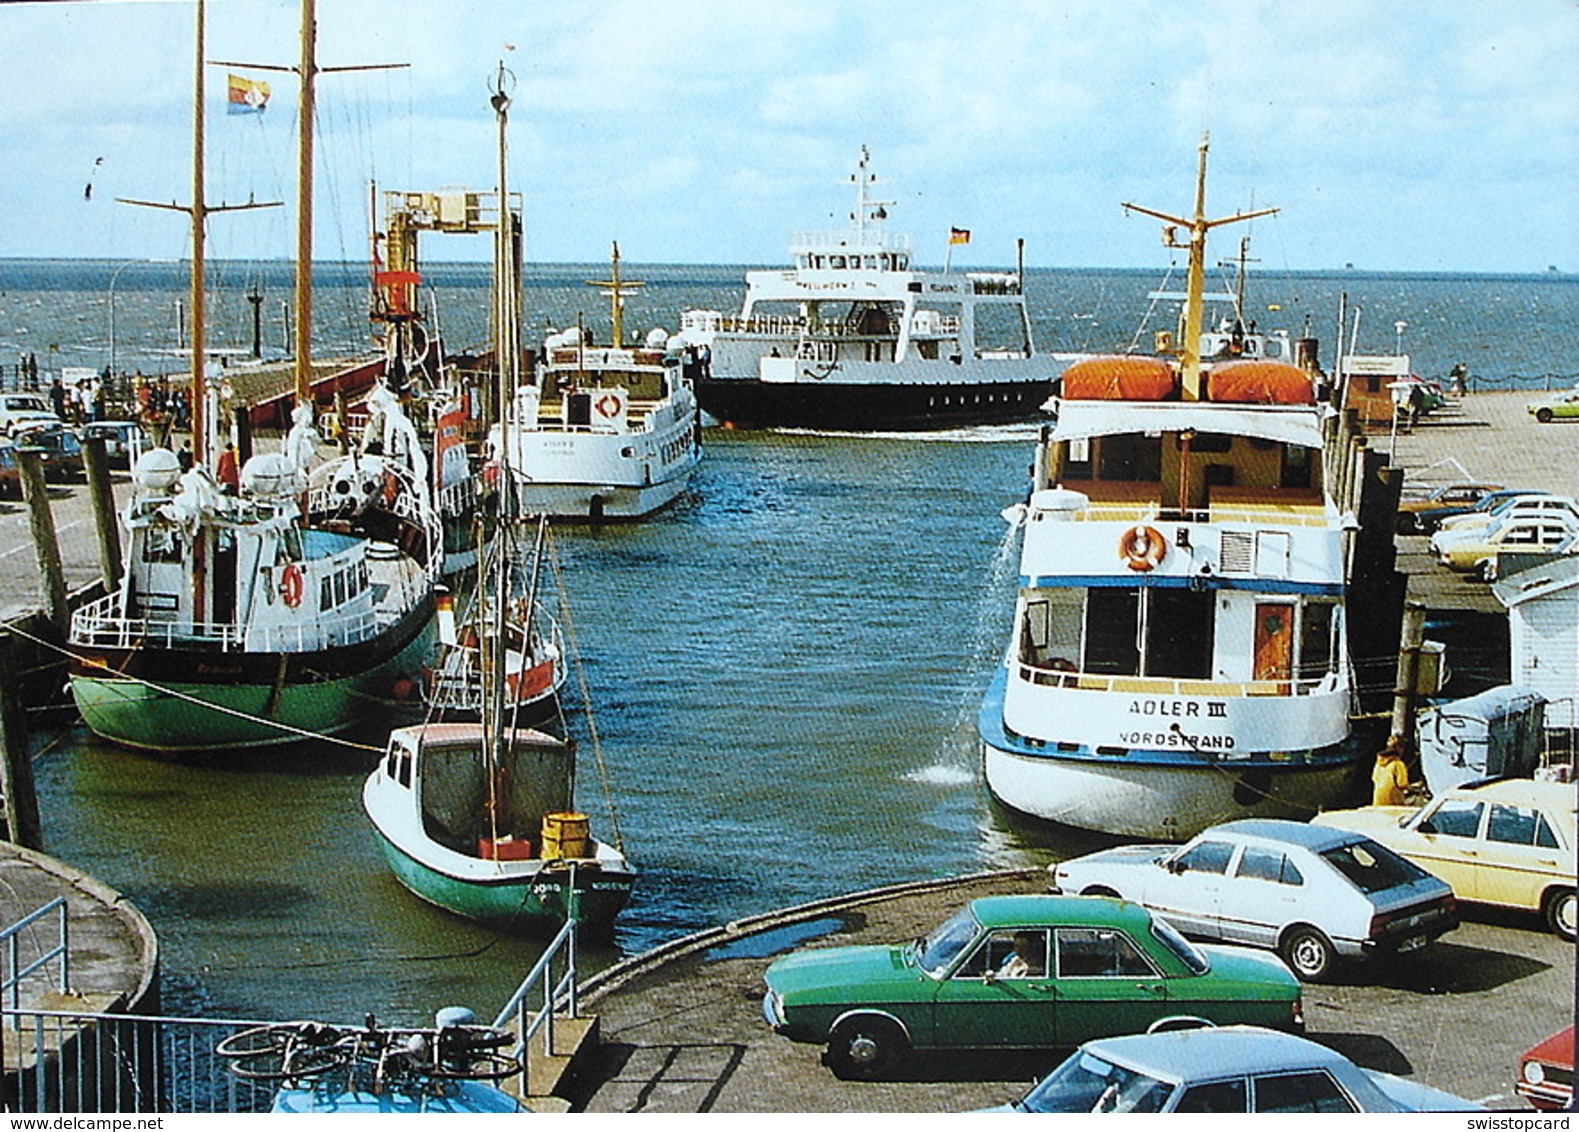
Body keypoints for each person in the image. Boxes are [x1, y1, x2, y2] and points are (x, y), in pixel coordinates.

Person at [1372, 736, 1410, 806]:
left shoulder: (1378, 763)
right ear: (1399, 748)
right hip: (1393, 801)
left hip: (1378, 801)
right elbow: (1402, 784)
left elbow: (1374, 778)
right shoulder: (1398, 764)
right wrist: (1411, 788)